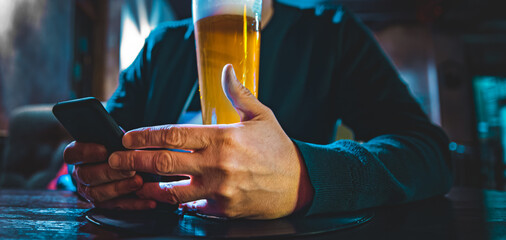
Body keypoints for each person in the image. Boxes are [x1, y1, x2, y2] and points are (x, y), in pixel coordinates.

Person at [64, 0, 452, 219]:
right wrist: (91, 176)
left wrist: (305, 177)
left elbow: (430, 153)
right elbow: (98, 147)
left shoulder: (331, 34)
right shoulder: (160, 46)